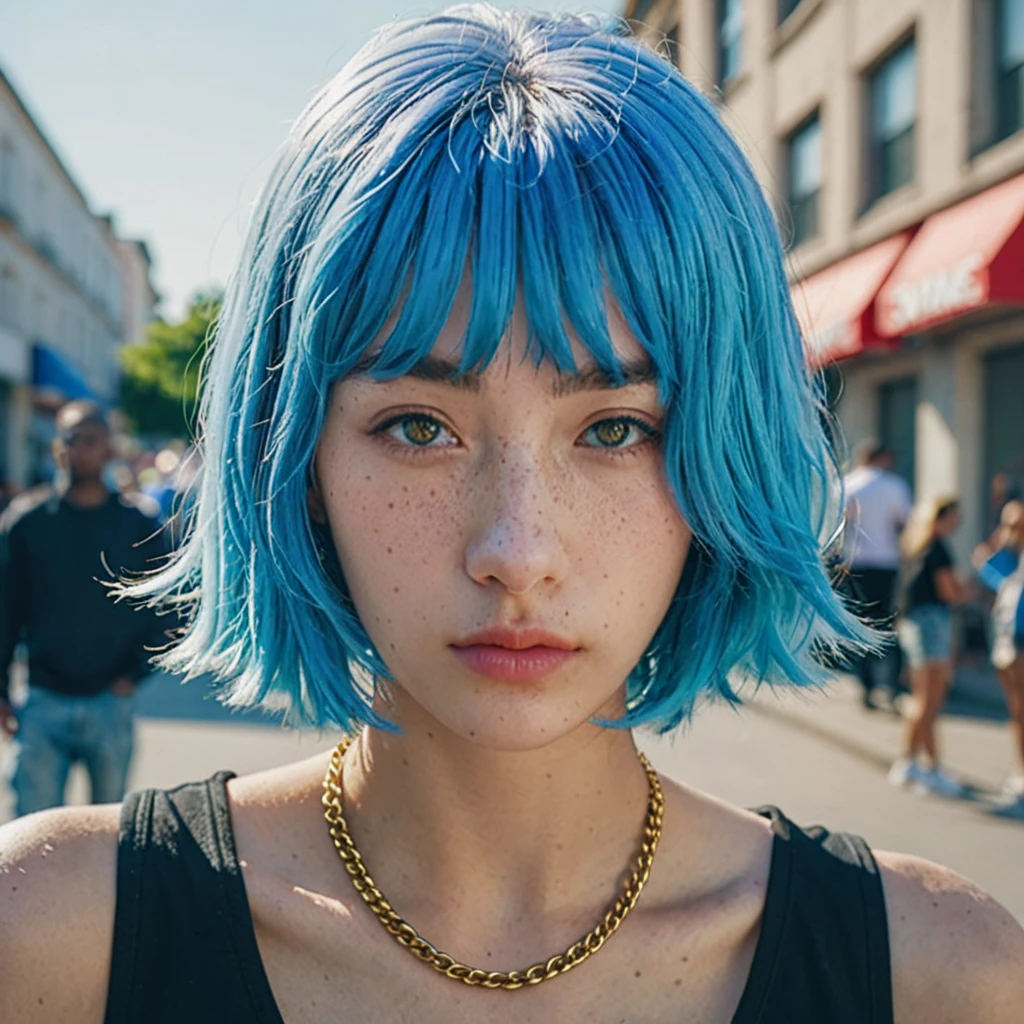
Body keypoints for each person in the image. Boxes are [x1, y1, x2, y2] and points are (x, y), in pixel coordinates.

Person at [1, 9, 1021, 1023]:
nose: (517, 552)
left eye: (616, 430)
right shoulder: (53, 941)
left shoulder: (941, 978)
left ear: (725, 453)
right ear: (295, 455)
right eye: (415, 426)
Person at [0, 400, 170, 815]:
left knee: (106, 835)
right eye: (70, 439)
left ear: (109, 448)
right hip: (42, 699)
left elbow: (167, 607)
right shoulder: (28, 522)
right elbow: (6, 608)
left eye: (90, 440)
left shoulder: (138, 524)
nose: (79, 448)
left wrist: (134, 674)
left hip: (110, 700)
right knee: (32, 839)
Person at [889, 497, 972, 797]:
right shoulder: (939, 550)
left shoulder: (918, 545)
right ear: (941, 517)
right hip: (932, 625)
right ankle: (932, 767)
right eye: (954, 516)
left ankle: (908, 761)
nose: (958, 522)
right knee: (930, 700)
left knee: (919, 698)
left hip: (913, 624)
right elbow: (949, 592)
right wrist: (970, 590)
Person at [842, 440, 912, 709]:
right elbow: (905, 523)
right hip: (886, 563)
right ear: (883, 458)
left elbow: (837, 525)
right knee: (889, 623)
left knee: (861, 624)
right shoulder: (894, 486)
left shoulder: (848, 485)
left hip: (856, 563)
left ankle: (867, 686)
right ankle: (892, 685)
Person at [974, 499, 1024, 815]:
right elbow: (983, 563)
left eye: (1016, 525)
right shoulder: (1010, 561)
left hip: (1020, 641)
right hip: (1009, 641)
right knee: (1017, 711)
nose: (1011, 532)